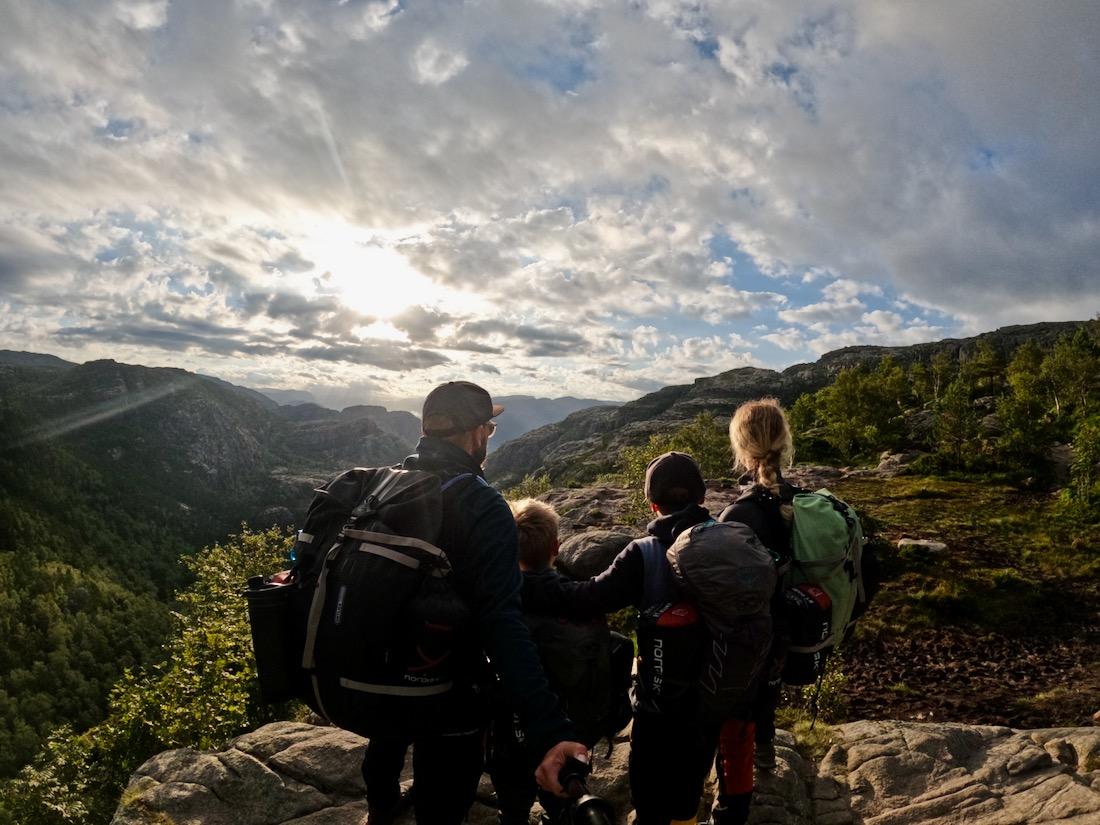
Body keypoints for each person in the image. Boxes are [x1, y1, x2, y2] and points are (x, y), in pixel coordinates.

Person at [361, 381, 587, 825]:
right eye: (491, 427)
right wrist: (549, 728)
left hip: (383, 677)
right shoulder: (484, 505)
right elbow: (502, 621)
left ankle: (381, 809)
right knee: (442, 805)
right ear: (478, 433)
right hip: (449, 692)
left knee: (384, 768)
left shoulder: (389, 483)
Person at [522, 451, 763, 825]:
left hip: (659, 706)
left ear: (653, 504)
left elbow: (586, 599)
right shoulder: (735, 546)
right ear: (702, 497)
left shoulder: (644, 553)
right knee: (686, 794)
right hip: (716, 696)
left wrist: (523, 581)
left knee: (650, 797)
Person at [489, 498, 617, 825]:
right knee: (563, 803)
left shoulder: (500, 602)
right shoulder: (580, 597)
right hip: (571, 734)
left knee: (512, 805)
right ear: (556, 547)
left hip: (510, 738)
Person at [717, 398, 802, 773]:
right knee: (768, 685)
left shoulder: (738, 514)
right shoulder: (800, 501)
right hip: (789, 622)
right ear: (784, 441)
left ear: (741, 448)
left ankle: (738, 775)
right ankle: (764, 749)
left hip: (749, 631)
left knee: (740, 697)